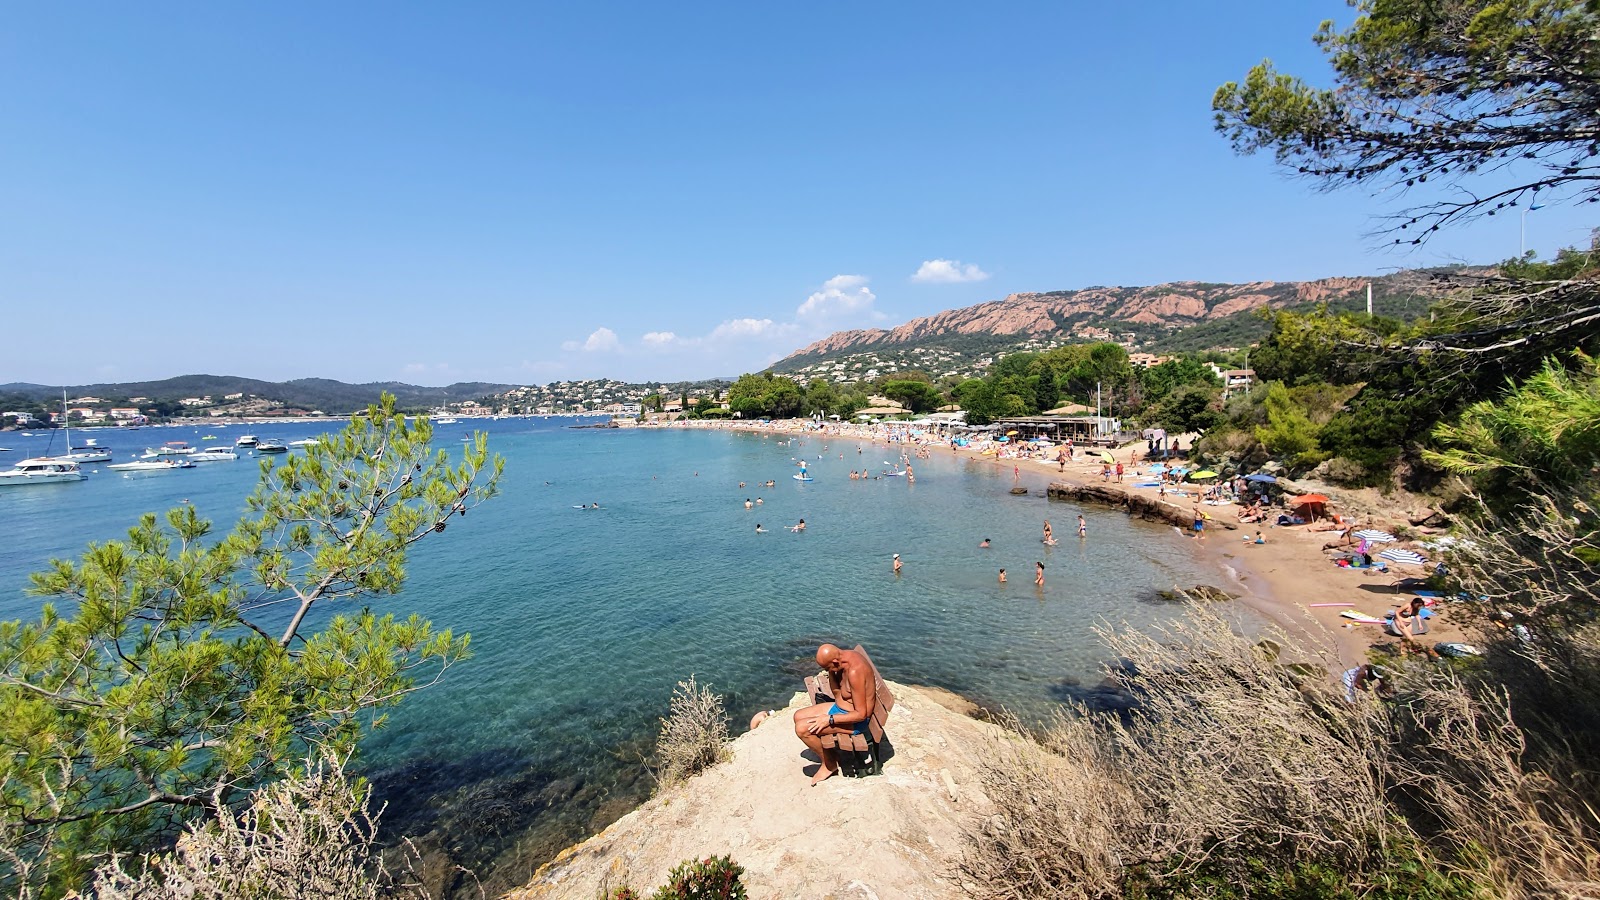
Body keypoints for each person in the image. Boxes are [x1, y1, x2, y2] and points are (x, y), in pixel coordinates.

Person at [794, 643, 879, 785]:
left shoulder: (855, 672)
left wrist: (830, 720)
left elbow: (861, 714)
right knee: (797, 716)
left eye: (828, 668)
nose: (827, 671)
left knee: (801, 729)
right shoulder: (843, 661)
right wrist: (832, 672)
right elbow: (837, 694)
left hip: (854, 722)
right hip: (841, 710)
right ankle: (829, 756)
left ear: (834, 662)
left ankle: (829, 764)